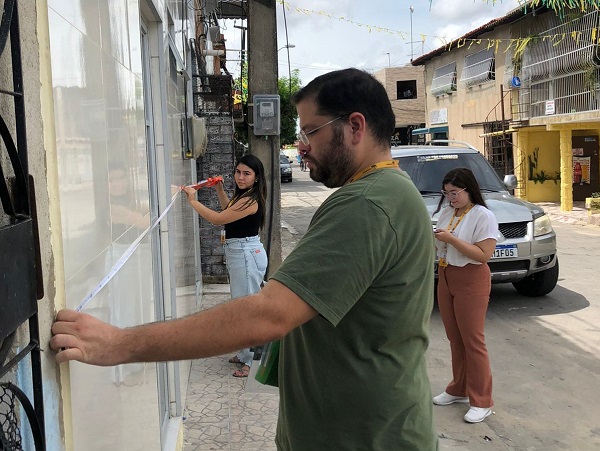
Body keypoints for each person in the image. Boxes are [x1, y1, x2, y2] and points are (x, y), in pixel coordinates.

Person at [50, 68, 438, 450]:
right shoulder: (384, 192)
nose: (301, 145)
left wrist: (119, 344)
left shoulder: (368, 204)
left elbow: (267, 315)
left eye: (310, 131)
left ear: (355, 126)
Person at [183, 154, 268, 377]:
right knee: (241, 304)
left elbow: (219, 219)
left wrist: (193, 201)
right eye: (238, 172)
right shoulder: (244, 197)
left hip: (246, 253)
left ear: (256, 178)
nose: (240, 177)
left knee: (248, 309)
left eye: (246, 174)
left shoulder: (250, 200)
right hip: (241, 252)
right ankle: (244, 354)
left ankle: (253, 362)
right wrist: (220, 189)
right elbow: (228, 212)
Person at [432, 167, 498, 424]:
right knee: (454, 337)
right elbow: (440, 247)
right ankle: (459, 389)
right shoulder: (447, 213)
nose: (451, 198)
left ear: (469, 189)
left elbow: (483, 254)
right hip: (446, 275)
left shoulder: (483, 215)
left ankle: (482, 400)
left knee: (473, 340)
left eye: (455, 192)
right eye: (447, 193)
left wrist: (451, 239)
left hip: (471, 277)